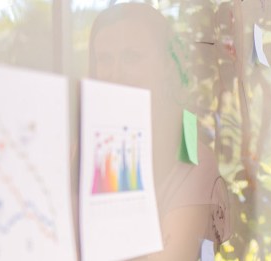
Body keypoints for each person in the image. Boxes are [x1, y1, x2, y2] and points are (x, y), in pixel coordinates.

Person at [88, 3, 230, 260]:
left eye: (132, 57)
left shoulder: (189, 151)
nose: (116, 74)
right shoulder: (85, 147)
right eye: (105, 59)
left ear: (167, 65)